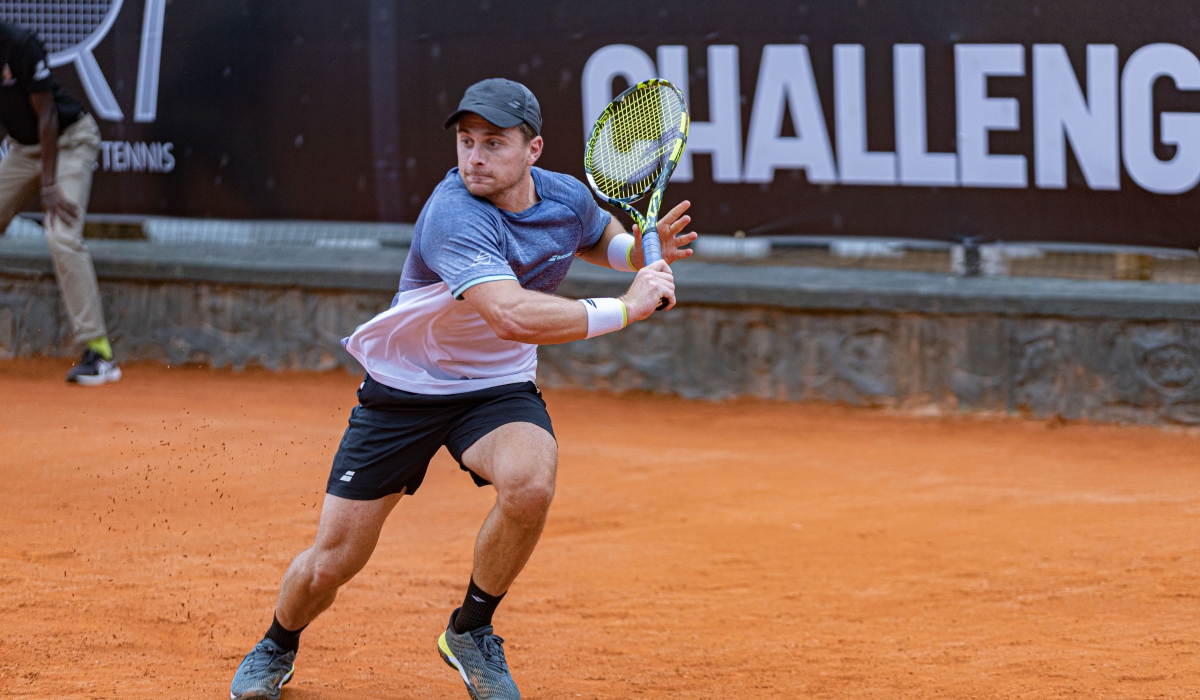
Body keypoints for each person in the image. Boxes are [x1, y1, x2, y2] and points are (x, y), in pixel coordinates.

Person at [229, 78, 696, 700]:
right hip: (405, 391)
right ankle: (277, 642)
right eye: (466, 141)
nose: (474, 157)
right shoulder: (454, 213)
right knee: (332, 562)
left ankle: (471, 630)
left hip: (496, 387)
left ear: (532, 150)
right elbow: (510, 314)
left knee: (531, 483)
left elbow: (599, 239)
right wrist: (628, 307)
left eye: (493, 143)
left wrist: (640, 252)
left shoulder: (564, 196)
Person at [0, 22, 119, 384]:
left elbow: (48, 114)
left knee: (61, 236)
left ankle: (99, 354)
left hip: (69, 141)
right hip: (24, 150)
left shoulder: (20, 44)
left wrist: (49, 184)